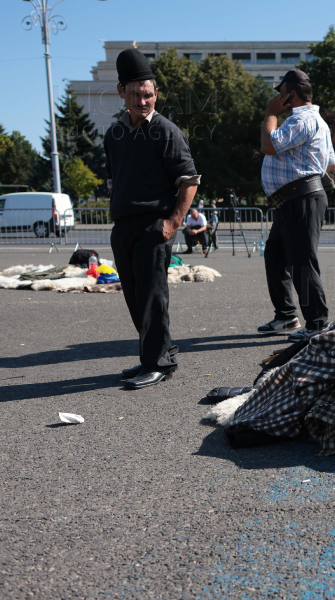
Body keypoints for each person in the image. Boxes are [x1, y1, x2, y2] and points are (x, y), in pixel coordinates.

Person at [104, 49, 200, 390]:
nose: (142, 101)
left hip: (154, 225)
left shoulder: (166, 131)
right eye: (135, 95)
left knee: (152, 297)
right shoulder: (114, 134)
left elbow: (189, 181)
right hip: (124, 226)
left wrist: (173, 222)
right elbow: (116, 177)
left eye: (148, 95)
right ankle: (157, 354)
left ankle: (157, 363)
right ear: (121, 93)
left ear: (156, 94)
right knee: (134, 296)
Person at [258, 69, 335, 342]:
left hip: (301, 197)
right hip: (293, 199)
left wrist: (270, 112)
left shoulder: (301, 118)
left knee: (303, 262)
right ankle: (286, 316)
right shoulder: (317, 121)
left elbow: (269, 145)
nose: (277, 99)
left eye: (280, 94)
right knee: (276, 257)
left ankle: (316, 323)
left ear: (290, 94)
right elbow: (331, 164)